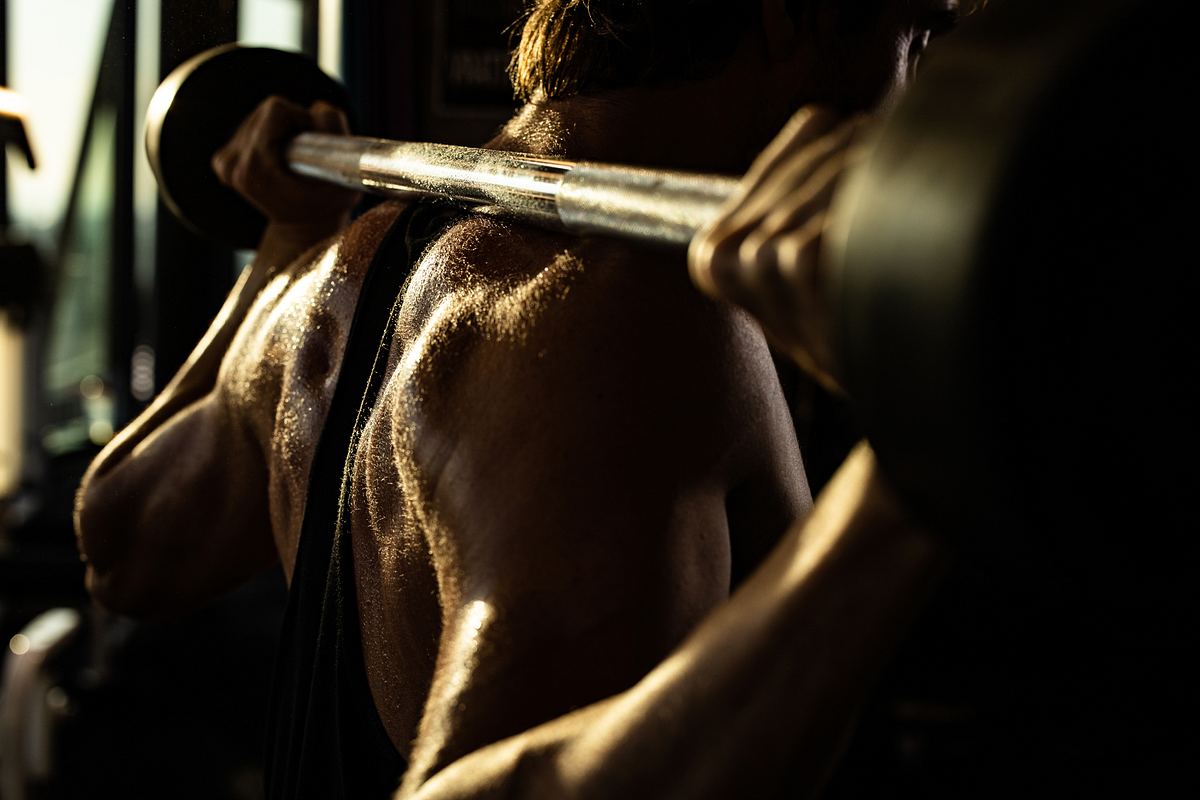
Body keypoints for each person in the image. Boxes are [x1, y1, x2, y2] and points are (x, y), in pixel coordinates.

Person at [74, 1, 965, 796]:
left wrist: (282, 248)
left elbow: (122, 542)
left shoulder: (322, 284)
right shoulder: (635, 328)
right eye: (919, 34)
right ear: (787, 16)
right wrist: (904, 486)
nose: (918, 95)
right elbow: (123, 554)